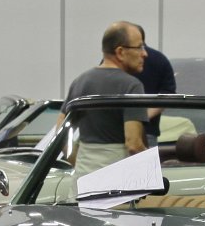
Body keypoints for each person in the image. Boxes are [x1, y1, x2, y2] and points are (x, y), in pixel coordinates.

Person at [64, 21, 158, 173]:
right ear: (120, 52)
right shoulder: (131, 86)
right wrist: (153, 171)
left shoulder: (80, 81)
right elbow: (133, 144)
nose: (145, 54)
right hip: (117, 178)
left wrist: (79, 163)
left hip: (82, 176)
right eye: (140, 47)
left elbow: (61, 132)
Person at [132, 25, 176, 145]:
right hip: (148, 130)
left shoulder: (114, 61)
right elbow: (168, 94)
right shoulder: (160, 59)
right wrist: (145, 116)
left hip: (114, 132)